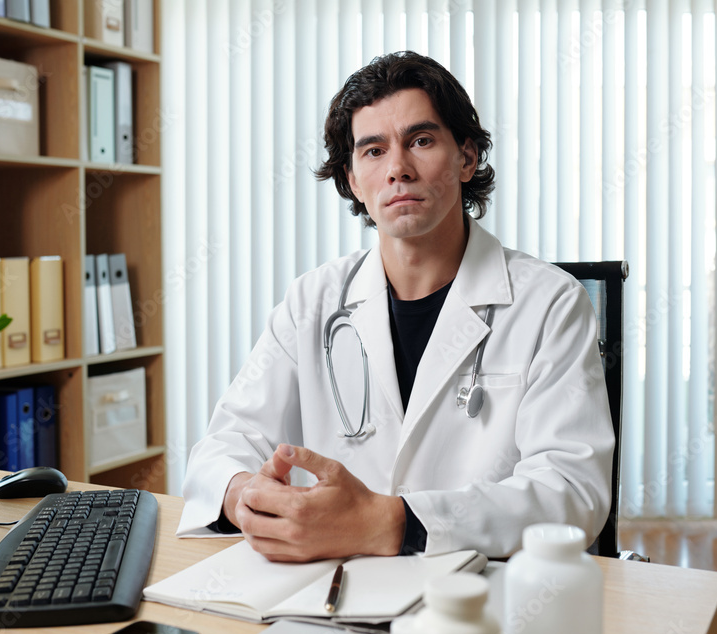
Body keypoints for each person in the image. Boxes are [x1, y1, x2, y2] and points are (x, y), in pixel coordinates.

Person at [177, 51, 614, 562]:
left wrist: (393, 523)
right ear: (353, 180)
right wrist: (245, 496)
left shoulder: (550, 303)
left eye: (421, 141)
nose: (398, 170)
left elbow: (571, 491)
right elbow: (223, 445)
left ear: (467, 158)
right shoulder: (311, 302)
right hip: (331, 590)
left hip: (479, 597)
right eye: (373, 151)